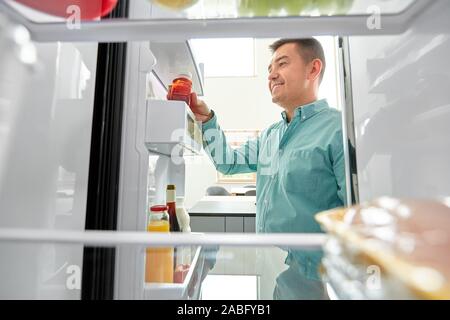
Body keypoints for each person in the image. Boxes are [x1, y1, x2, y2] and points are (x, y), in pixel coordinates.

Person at [188, 38, 346, 298]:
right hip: (269, 269)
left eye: (282, 64)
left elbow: (354, 217)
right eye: (269, 69)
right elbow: (228, 162)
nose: (271, 75)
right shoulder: (271, 135)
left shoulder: (338, 129)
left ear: (313, 69)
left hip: (316, 280)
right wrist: (206, 120)